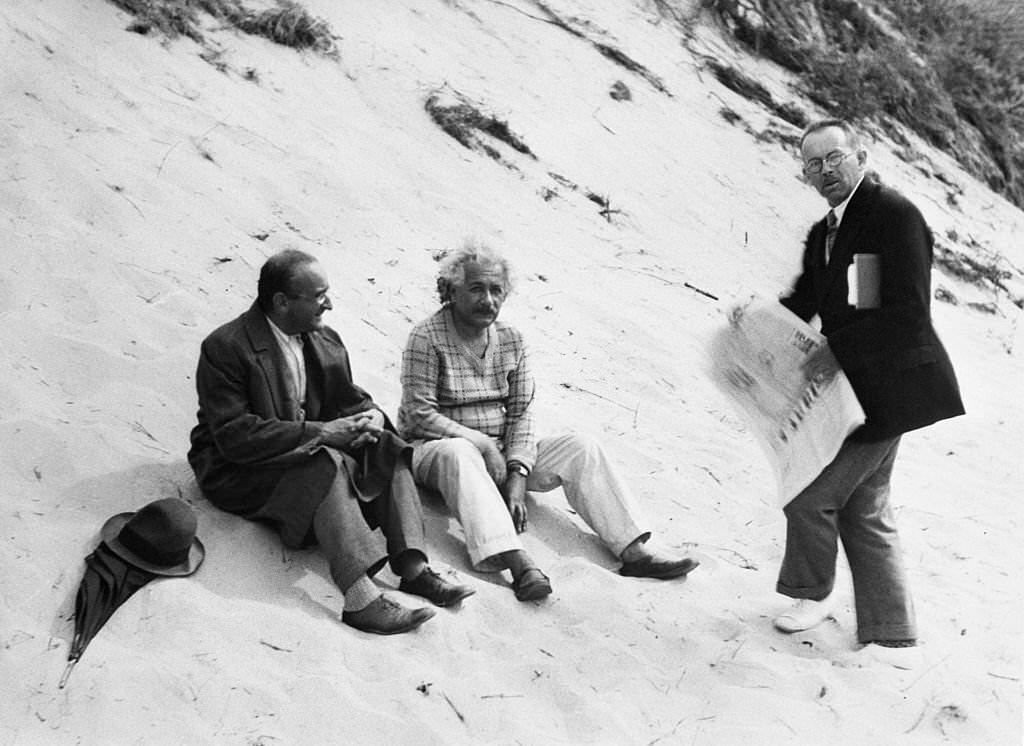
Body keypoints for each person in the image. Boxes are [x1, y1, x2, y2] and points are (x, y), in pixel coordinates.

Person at [188, 249, 474, 635]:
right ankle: (361, 600)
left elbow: (346, 398)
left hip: (303, 453)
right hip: (239, 470)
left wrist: (370, 415)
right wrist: (321, 433)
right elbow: (234, 436)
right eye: (319, 296)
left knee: (387, 445)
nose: (330, 304)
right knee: (324, 463)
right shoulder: (226, 347)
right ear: (281, 302)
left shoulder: (322, 338)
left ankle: (412, 569)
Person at [397, 240, 699, 601]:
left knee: (580, 447)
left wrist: (517, 473)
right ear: (451, 290)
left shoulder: (511, 339)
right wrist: (479, 444)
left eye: (496, 290)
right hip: (436, 452)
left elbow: (522, 411)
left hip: (500, 453)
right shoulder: (426, 337)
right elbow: (419, 415)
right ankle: (517, 561)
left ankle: (633, 551)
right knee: (459, 452)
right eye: (476, 289)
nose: (488, 300)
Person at [772, 119, 964, 656]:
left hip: (892, 390)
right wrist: (758, 322)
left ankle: (811, 595)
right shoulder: (825, 231)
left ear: (861, 154)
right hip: (859, 389)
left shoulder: (892, 215)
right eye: (813, 164)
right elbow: (810, 300)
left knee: (809, 493)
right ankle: (892, 630)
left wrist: (835, 352)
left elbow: (905, 314)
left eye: (834, 158)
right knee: (864, 505)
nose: (825, 171)